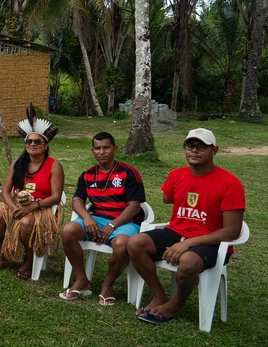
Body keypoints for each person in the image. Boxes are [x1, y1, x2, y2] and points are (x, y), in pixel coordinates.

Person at [128, 128, 245, 325]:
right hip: (176, 232)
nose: (194, 151)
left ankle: (176, 304)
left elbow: (232, 231)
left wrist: (188, 243)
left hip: (212, 241)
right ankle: (159, 295)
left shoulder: (230, 183)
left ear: (214, 150)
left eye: (201, 147)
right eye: (190, 146)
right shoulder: (177, 175)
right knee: (135, 243)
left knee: (189, 262)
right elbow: (168, 198)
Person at [59, 132, 146, 304]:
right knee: (68, 231)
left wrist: (112, 225)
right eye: (97, 148)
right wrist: (87, 218)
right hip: (97, 219)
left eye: (106, 147)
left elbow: (134, 206)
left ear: (115, 149)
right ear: (93, 151)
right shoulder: (88, 174)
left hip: (124, 222)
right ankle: (82, 280)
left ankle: (108, 285)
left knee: (121, 245)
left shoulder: (129, 173)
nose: (102, 152)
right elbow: (77, 200)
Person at [0, 107, 64, 279]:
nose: (32, 144)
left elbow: (56, 196)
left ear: (46, 145)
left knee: (26, 223)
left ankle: (29, 259)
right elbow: (5, 191)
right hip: (16, 204)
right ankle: (2, 253)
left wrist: (32, 206)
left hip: (42, 207)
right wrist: (12, 206)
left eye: (37, 141)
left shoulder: (54, 165)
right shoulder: (18, 163)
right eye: (29, 141)